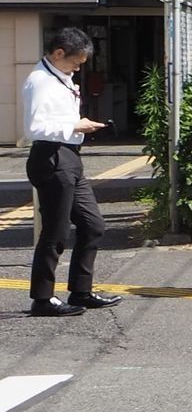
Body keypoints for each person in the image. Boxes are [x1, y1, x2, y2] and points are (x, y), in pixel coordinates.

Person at [23, 27, 122, 317]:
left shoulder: (60, 77)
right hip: (51, 157)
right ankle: (42, 299)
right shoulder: (40, 81)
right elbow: (34, 128)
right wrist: (75, 126)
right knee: (56, 231)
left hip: (68, 156)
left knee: (92, 225)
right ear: (58, 53)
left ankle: (81, 290)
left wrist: (77, 124)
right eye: (76, 62)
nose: (79, 67)